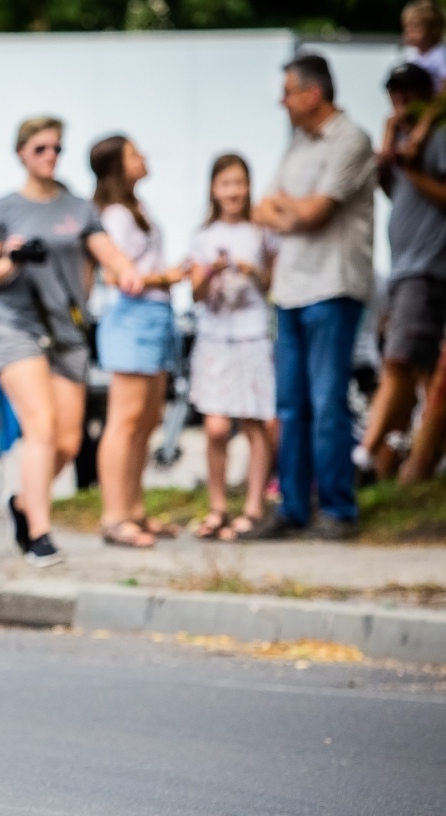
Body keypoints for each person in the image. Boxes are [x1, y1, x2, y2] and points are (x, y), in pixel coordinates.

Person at [0, 116, 145, 568]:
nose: (50, 156)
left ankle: (26, 503)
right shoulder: (2, 208)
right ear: (22, 153)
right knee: (41, 428)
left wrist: (128, 272)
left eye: (56, 149)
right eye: (40, 148)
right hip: (18, 325)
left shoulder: (77, 206)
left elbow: (107, 251)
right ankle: (41, 534)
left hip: (67, 329)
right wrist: (11, 259)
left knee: (67, 441)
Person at [250, 54, 376, 540]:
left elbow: (318, 213)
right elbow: (266, 207)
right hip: (291, 288)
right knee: (291, 405)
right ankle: (294, 506)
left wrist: (292, 209)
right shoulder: (298, 145)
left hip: (333, 285)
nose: (282, 103)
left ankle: (339, 508)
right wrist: (290, 210)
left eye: (287, 92)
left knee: (327, 401)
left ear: (312, 93)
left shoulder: (351, 140)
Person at [357, 63, 446, 479]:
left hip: (427, 267)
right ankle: (427, 459)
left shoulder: (441, 140)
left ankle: (365, 456)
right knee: (423, 367)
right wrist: (391, 149)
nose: (402, 101)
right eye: (395, 93)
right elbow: (392, 191)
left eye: (410, 92)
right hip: (405, 267)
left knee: (398, 362)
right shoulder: (407, 142)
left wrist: (414, 170)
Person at [90, 135, 188, 549]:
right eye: (134, 154)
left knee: (147, 421)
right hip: (133, 319)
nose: (143, 157)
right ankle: (114, 517)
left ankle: (134, 510)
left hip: (155, 316)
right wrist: (168, 276)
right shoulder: (114, 215)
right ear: (117, 165)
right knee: (125, 421)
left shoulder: (133, 209)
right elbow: (117, 276)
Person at [188, 154, 277, 541]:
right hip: (215, 337)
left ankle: (254, 507)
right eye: (226, 183)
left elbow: (275, 284)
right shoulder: (202, 237)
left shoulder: (262, 233)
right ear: (213, 188)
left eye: (239, 182)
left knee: (255, 422)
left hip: (253, 333)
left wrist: (251, 270)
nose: (234, 191)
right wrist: (212, 272)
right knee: (216, 427)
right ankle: (218, 506)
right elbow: (195, 293)